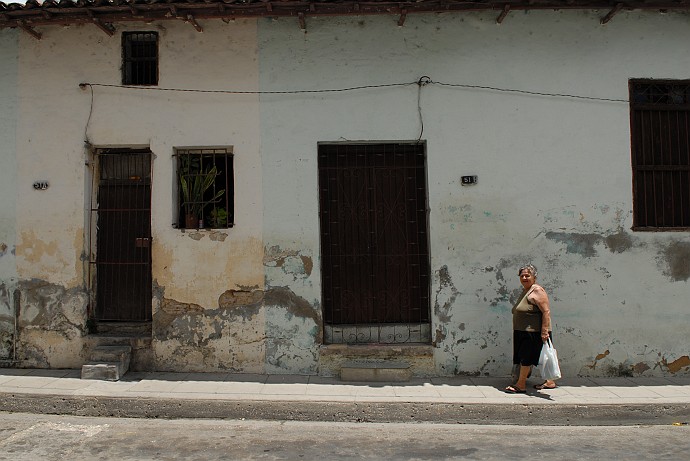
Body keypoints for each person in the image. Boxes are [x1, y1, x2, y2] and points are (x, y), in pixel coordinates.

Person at [505, 264, 557, 393]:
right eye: (522, 275)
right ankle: (550, 381)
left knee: (526, 358)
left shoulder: (537, 290)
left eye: (527, 275)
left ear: (534, 277)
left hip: (533, 332)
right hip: (522, 331)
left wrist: (544, 331)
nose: (524, 277)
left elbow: (546, 312)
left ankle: (521, 384)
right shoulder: (526, 290)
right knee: (535, 357)